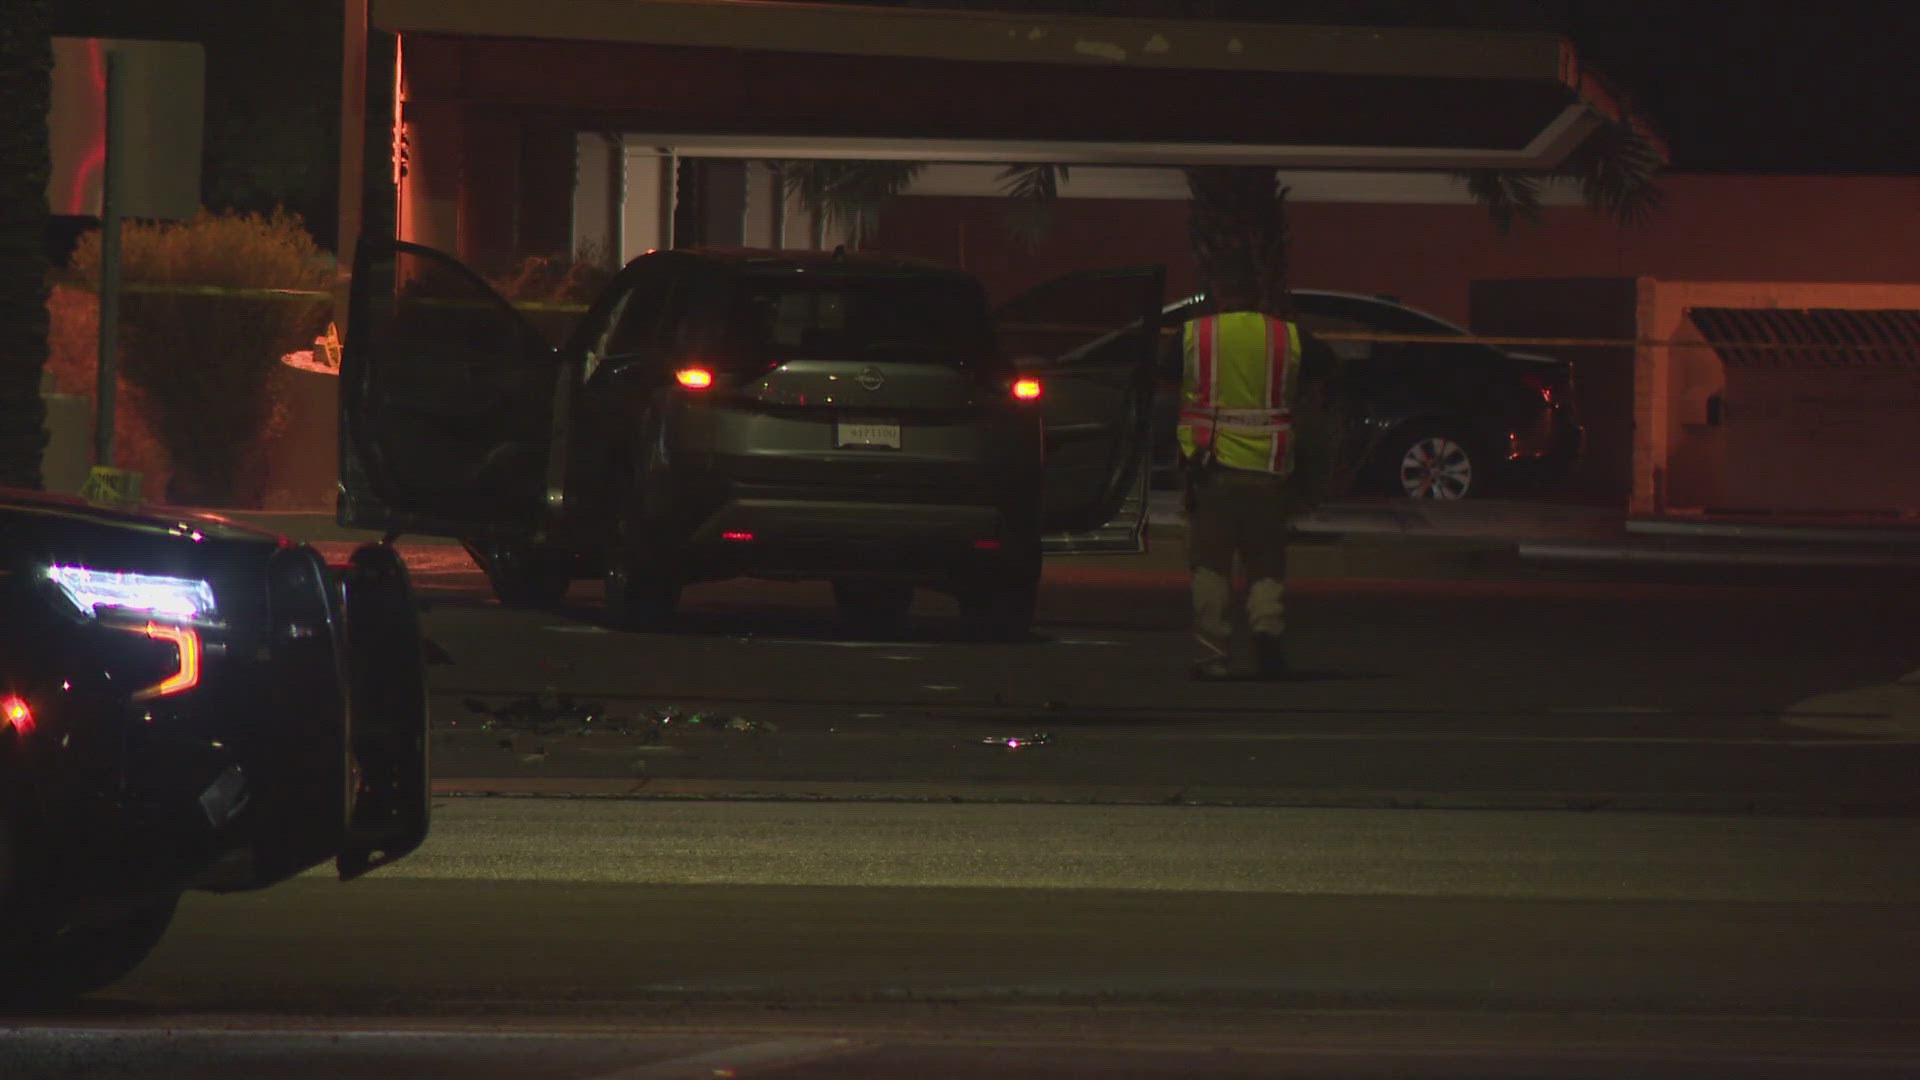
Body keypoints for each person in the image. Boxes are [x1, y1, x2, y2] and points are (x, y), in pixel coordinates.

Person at [1177, 280, 1337, 681]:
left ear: (1217, 295)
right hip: (1270, 468)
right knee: (1266, 562)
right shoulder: (1288, 336)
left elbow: (1163, 381)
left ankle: (1212, 658)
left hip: (1210, 468)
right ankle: (1266, 632)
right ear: (1259, 297)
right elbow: (1328, 369)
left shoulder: (1196, 334)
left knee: (1211, 565)